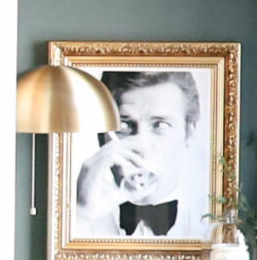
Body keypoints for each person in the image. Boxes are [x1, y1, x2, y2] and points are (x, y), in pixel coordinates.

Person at [71, 68, 201, 238]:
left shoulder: (214, 228)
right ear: (102, 137)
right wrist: (81, 214)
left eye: (159, 125)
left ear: (189, 133)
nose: (140, 148)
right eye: (124, 126)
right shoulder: (74, 222)